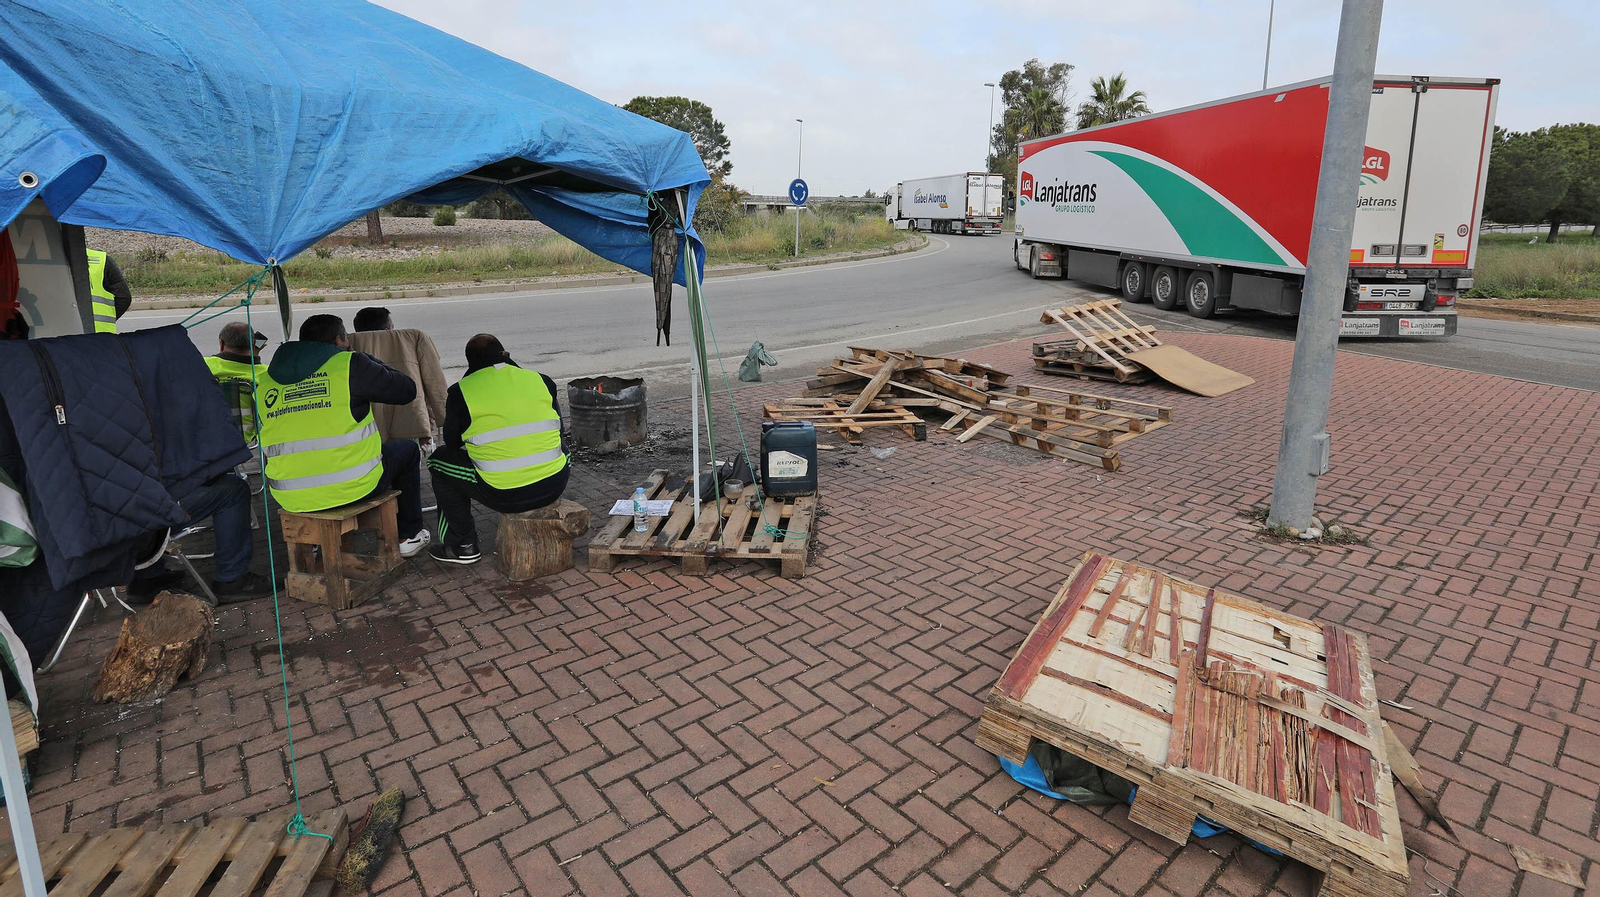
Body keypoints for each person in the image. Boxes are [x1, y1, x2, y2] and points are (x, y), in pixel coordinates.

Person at [258, 314, 430, 556]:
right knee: (408, 450)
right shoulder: (350, 365)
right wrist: (364, 358)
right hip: (355, 486)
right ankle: (408, 536)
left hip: (289, 495)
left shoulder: (265, 380)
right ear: (340, 339)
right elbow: (406, 390)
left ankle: (316, 542)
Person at [426, 334, 569, 565]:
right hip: (555, 483)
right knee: (559, 444)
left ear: (470, 363)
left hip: (503, 494)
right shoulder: (541, 380)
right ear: (505, 354)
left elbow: (452, 442)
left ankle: (462, 544)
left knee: (438, 460)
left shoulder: (460, 391)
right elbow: (558, 430)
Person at [346, 306, 449, 445]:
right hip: (409, 419)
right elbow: (435, 381)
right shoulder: (413, 338)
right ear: (389, 327)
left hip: (363, 425)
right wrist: (444, 417)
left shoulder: (345, 344)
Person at [205, 322, 269, 441]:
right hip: (248, 442)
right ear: (254, 343)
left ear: (222, 344)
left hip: (209, 439)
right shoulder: (266, 374)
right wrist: (254, 358)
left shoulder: (204, 366)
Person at [85, 248, 131, 334]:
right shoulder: (100, 259)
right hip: (101, 336)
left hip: (60, 338)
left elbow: (123, 297)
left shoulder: (53, 262)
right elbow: (123, 297)